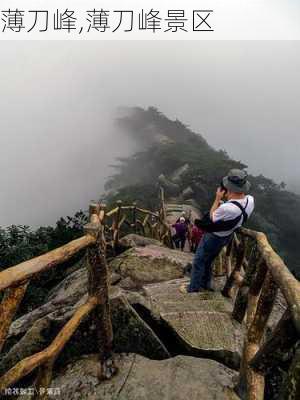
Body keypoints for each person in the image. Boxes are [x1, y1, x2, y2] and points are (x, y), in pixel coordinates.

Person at [180, 169, 254, 293]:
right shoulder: (250, 200)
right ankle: (206, 284)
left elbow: (212, 217)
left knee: (199, 260)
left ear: (229, 189)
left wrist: (217, 198)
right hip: (227, 237)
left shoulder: (227, 208)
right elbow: (233, 211)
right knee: (208, 261)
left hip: (213, 237)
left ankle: (192, 288)